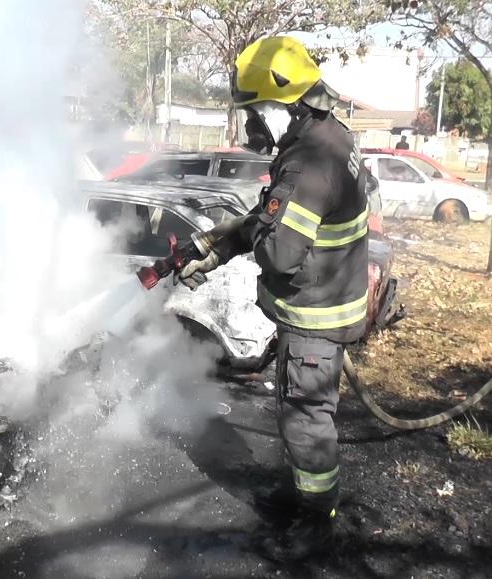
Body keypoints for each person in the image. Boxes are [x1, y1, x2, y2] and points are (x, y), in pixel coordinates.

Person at [177, 36, 369, 561]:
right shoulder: (331, 138)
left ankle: (316, 521)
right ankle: (306, 491)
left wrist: (244, 237)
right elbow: (280, 219)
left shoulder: (305, 166)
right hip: (330, 302)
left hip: (315, 316)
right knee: (302, 412)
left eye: (253, 115)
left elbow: (281, 254)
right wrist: (220, 243)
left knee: (306, 418)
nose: (251, 128)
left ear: (278, 106)